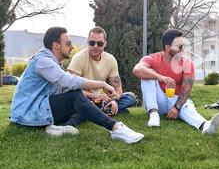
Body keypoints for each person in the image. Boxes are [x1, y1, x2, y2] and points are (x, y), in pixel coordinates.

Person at [9, 27, 144, 144]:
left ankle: (60, 127)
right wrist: (102, 85)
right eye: (68, 43)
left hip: (39, 109)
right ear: (56, 45)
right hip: (28, 113)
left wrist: (103, 97)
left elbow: (63, 89)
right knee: (76, 96)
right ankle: (116, 128)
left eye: (100, 43)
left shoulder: (53, 63)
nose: (72, 47)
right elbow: (69, 82)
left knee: (83, 100)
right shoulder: (43, 61)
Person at [132, 29, 219, 134]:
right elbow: (137, 69)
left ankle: (205, 126)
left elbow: (187, 88)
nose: (182, 49)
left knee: (187, 108)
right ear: (167, 47)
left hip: (175, 100)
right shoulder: (154, 58)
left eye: (183, 46)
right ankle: (154, 115)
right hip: (158, 100)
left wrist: (177, 108)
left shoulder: (187, 63)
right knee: (147, 74)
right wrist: (160, 77)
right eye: (179, 46)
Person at [68, 27, 137, 125]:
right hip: (84, 97)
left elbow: (117, 87)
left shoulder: (110, 59)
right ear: (88, 42)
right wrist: (94, 95)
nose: (95, 46)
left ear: (105, 43)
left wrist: (114, 101)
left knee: (131, 97)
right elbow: (72, 89)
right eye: (92, 43)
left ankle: (102, 109)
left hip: (101, 99)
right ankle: (104, 111)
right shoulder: (78, 58)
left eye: (99, 43)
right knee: (82, 103)